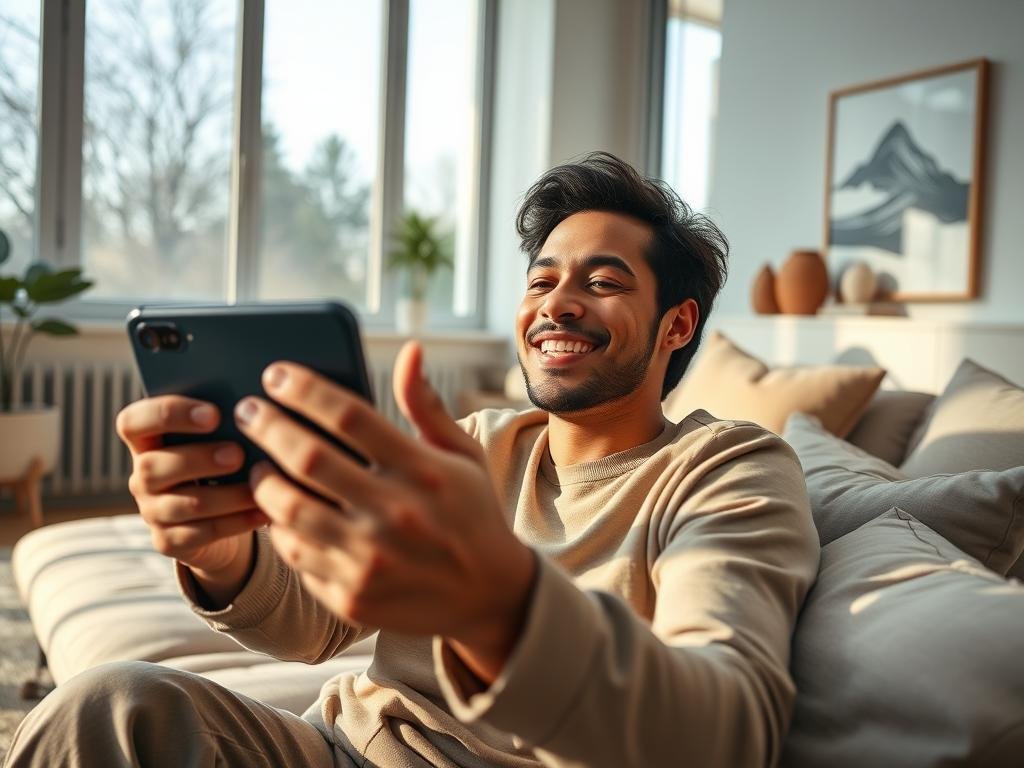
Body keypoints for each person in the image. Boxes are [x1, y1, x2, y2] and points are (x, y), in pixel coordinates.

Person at [5, 152, 819, 768]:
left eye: (603, 282)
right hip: (343, 749)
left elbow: (727, 731)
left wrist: (496, 606)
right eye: (542, 280)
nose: (558, 302)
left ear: (677, 326)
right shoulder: (478, 443)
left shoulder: (730, 468)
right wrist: (224, 556)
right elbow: (314, 625)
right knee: (110, 705)